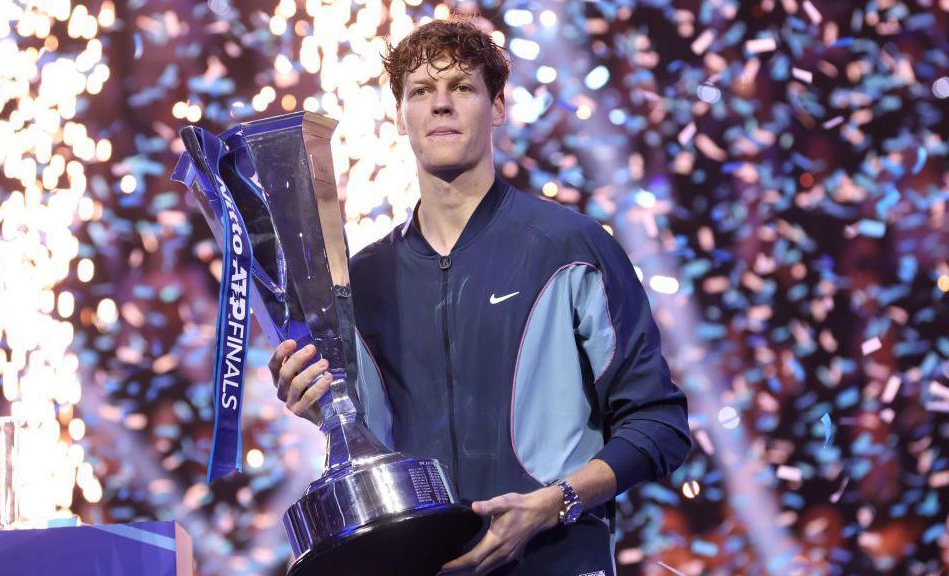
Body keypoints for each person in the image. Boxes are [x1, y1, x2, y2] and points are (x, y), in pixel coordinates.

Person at [269, 17, 691, 576]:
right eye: (421, 91)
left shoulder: (570, 247)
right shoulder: (360, 282)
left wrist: (554, 503)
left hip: (557, 563)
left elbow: (660, 425)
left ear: (496, 108)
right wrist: (319, 406)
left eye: (462, 87)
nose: (440, 105)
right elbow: (365, 439)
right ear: (401, 116)